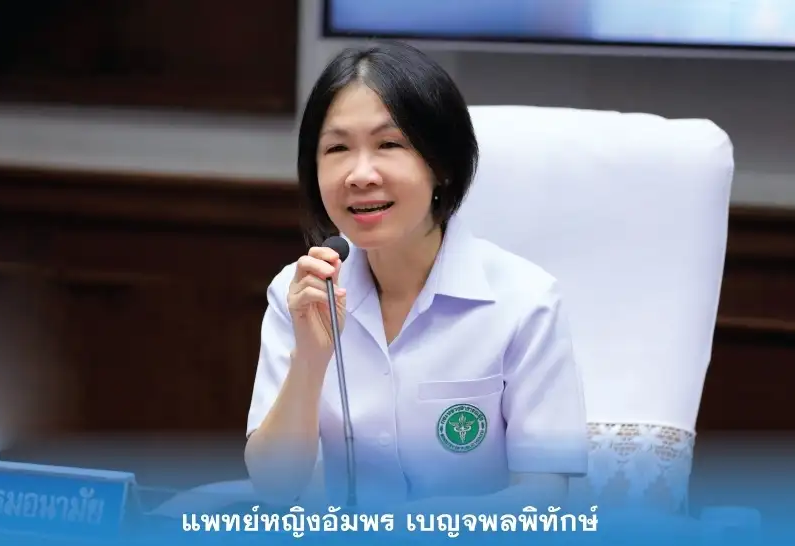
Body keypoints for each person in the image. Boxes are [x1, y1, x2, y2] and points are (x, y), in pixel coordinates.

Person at [244, 41, 587, 511]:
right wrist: (310, 359)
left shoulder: (525, 301)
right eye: (337, 148)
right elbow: (274, 486)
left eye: (389, 144)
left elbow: (545, 499)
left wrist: (409, 532)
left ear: (441, 165)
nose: (360, 175)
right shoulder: (301, 292)